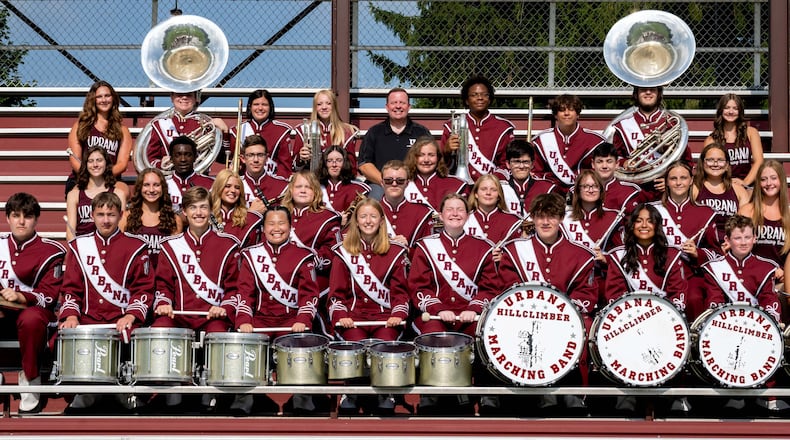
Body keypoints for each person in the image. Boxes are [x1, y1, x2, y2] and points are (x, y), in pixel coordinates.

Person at [499, 193, 598, 413]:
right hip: (525, 317)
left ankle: (573, 391)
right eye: (540, 216)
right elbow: (508, 289)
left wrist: (559, 311)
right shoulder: (515, 251)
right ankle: (538, 390)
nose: (545, 222)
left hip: (565, 318)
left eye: (551, 216)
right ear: (533, 218)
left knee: (585, 325)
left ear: (561, 218)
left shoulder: (581, 254)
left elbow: (587, 294)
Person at [58, 192, 153, 411]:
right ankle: (87, 391)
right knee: (64, 334)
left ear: (121, 215)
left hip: (122, 318)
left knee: (133, 333)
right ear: (92, 215)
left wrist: (130, 314)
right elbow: (71, 289)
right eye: (100, 214)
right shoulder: (79, 246)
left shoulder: (136, 246)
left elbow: (144, 290)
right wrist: (71, 315)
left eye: (111, 214)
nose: (106, 220)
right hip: (88, 318)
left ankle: (123, 390)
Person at [408, 193, 499, 415]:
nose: (455, 214)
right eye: (450, 209)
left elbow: (490, 287)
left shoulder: (483, 247)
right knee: (432, 333)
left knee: (484, 337)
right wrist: (439, 309)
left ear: (468, 215)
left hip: (471, 316)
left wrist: (474, 308)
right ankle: (431, 392)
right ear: (440, 215)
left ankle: (482, 393)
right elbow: (419, 286)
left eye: (460, 210)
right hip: (437, 315)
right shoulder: (426, 247)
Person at [151, 186, 239, 412]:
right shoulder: (171, 246)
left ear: (211, 210)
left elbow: (234, 288)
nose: (198, 213)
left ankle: (212, 391)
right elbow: (164, 285)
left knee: (219, 330)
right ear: (184, 212)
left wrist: (223, 308)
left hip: (213, 316)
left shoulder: (228, 245)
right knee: (161, 327)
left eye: (203, 207)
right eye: (193, 208)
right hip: (179, 316)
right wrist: (164, 303)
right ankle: (172, 388)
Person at [233, 206, 320, 416]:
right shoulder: (251, 256)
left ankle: (302, 398)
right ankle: (245, 398)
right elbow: (244, 293)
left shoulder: (304, 256)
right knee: (245, 343)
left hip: (291, 321)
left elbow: (309, 295)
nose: (276, 228)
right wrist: (244, 320)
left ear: (290, 227)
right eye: (271, 224)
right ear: (263, 228)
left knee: (301, 341)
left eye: (281, 223)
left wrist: (302, 319)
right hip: (259, 321)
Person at [328, 198, 410, 415]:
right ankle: (352, 391)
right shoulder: (342, 251)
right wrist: (342, 315)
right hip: (354, 316)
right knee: (354, 343)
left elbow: (400, 295)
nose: (368, 221)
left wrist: (397, 314)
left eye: (373, 216)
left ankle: (385, 391)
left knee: (384, 342)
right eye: (363, 216)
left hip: (384, 317)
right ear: (355, 221)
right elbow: (336, 294)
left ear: (382, 221)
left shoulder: (395, 252)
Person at [700, 215, 783, 413]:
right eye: (738, 238)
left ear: (755, 239)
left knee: (770, 334)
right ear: (727, 241)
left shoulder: (766, 266)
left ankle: (769, 394)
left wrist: (767, 320)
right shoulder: (714, 268)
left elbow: (769, 299)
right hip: (728, 327)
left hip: (757, 326)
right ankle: (734, 391)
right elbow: (714, 300)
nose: (743, 242)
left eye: (747, 237)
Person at [0, 193, 67, 413]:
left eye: (27, 216)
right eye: (15, 215)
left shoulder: (51, 250)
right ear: (7, 218)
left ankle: (30, 379)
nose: (21, 221)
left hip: (34, 316)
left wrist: (22, 297)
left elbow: (49, 296)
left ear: (36, 219)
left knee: (30, 319)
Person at [653, 161, 719, 321]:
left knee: (694, 298)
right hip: (658, 274)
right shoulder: (652, 210)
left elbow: (718, 254)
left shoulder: (705, 213)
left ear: (691, 181)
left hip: (691, 275)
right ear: (667, 182)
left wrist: (698, 253)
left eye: (683, 178)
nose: (678, 182)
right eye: (673, 178)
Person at [609, 86, 693, 200]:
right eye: (643, 89)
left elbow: (686, 161)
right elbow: (613, 158)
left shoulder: (672, 123)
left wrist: (671, 179)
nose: (648, 92)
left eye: (653, 89)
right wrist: (624, 163)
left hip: (667, 194)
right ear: (636, 93)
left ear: (659, 93)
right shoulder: (623, 126)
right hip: (635, 190)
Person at [358, 88, 431, 199]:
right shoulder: (374, 132)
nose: (398, 106)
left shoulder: (421, 133)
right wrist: (387, 182)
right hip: (380, 185)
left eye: (402, 103)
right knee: (373, 206)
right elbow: (364, 165)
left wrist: (406, 183)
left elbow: (430, 161)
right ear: (387, 107)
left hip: (413, 184)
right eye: (394, 103)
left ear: (409, 107)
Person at [440, 75, 515, 181]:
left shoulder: (503, 127)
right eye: (474, 95)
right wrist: (446, 151)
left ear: (490, 99)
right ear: (466, 100)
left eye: (484, 95)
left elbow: (506, 164)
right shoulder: (453, 126)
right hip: (459, 186)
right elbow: (441, 165)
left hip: (491, 187)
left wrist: (491, 181)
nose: (480, 98)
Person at [281, 171, 342, 298]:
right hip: (279, 278)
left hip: (314, 280)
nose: (303, 190)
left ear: (316, 191)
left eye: (308, 187)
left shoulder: (328, 218)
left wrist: (302, 261)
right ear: (291, 190)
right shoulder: (277, 214)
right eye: (298, 187)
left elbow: (332, 254)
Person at [66, 80, 132, 196]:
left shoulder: (123, 130)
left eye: (107, 96)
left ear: (113, 98)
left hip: (110, 179)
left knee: (124, 191)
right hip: (83, 178)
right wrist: (91, 177)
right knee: (75, 193)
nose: (104, 100)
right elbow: (75, 160)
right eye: (99, 97)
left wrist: (103, 177)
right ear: (93, 100)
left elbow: (122, 163)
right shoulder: (80, 126)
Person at [531, 94, 605, 191]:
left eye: (571, 110)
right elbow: (536, 173)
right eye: (562, 110)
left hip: (585, 193)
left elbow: (601, 172)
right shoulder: (541, 140)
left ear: (578, 114)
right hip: (550, 195)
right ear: (555, 115)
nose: (567, 113)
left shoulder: (595, 141)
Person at [145, 90, 228, 170]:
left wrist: (225, 133)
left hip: (198, 179)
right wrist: (161, 164)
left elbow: (223, 158)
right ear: (172, 96)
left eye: (189, 94)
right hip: (168, 180)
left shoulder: (206, 124)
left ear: (196, 98)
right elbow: (151, 159)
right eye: (179, 94)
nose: (184, 97)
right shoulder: (159, 124)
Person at [692, 142, 750, 247]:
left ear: (727, 165)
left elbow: (744, 226)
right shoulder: (694, 188)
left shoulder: (739, 190)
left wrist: (731, 244)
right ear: (703, 163)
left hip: (731, 246)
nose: (715, 164)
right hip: (702, 246)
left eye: (720, 160)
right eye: (710, 160)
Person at [120, 168, 182, 265]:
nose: (151, 190)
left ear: (163, 188)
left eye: (156, 185)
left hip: (163, 276)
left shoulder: (174, 219)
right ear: (140, 188)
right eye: (146, 185)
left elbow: (175, 257)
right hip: (136, 277)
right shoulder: (126, 217)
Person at [66, 146, 128, 240]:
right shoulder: (74, 195)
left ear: (106, 163)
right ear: (85, 165)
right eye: (90, 161)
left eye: (99, 160)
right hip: (84, 247)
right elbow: (70, 233)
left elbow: (121, 228)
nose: (95, 164)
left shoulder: (119, 194)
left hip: (109, 246)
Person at [229, 89, 295, 178]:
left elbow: (285, 167)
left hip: (271, 182)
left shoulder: (281, 131)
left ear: (270, 107)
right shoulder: (238, 130)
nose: (260, 108)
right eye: (256, 104)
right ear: (250, 107)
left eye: (264, 105)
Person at [739, 160, 790, 269]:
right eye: (763, 179)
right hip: (752, 275)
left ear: (781, 180)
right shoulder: (747, 211)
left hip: (781, 280)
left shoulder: (788, 216)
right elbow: (738, 248)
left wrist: (783, 271)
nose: (768, 183)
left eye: (773, 178)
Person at [705, 93, 764, 186]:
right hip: (722, 185)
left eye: (735, 108)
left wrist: (745, 182)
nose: (731, 111)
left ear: (740, 111)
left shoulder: (751, 133)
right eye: (727, 107)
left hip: (747, 184)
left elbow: (759, 161)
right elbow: (708, 168)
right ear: (721, 110)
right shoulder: (712, 140)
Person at [295, 89, 359, 174]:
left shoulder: (347, 131)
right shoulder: (303, 130)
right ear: (315, 108)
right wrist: (301, 158)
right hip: (312, 181)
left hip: (338, 181)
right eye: (319, 104)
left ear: (334, 106)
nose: (324, 107)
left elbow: (352, 168)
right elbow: (295, 167)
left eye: (328, 103)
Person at [561, 170, 623, 257]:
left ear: (601, 190)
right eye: (586, 186)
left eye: (595, 186)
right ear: (578, 190)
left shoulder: (613, 218)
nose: (591, 190)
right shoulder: (564, 218)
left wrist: (605, 258)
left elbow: (620, 252)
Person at [379, 160, 434, 251]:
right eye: (388, 180)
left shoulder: (422, 213)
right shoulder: (371, 210)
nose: (394, 184)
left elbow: (427, 252)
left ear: (407, 183)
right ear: (382, 183)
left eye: (400, 181)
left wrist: (408, 249)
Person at [403, 136, 467, 212]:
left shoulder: (457, 184)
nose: (426, 160)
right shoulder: (403, 184)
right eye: (421, 155)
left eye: (431, 155)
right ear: (414, 158)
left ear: (438, 158)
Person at [501, 139, 557, 218]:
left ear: (532, 164)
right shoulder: (500, 189)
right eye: (516, 162)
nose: (521, 166)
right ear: (508, 164)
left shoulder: (546, 188)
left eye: (526, 162)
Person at [209, 169, 263, 249]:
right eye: (227, 186)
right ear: (218, 188)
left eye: (237, 188)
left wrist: (252, 215)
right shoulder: (207, 214)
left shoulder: (247, 217)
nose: (233, 190)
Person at [318, 145, 370, 226]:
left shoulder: (359, 189)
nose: (334, 165)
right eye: (330, 160)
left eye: (338, 160)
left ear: (345, 162)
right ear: (325, 163)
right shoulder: (316, 188)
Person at [465, 174, 522, 246]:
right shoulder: (464, 219)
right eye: (483, 189)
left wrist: (503, 256)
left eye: (493, 190)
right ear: (476, 194)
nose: (488, 193)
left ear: (499, 195)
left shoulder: (512, 221)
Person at [163, 136, 215, 213]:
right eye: (178, 155)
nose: (183, 159)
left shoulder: (211, 184)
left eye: (188, 155)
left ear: (195, 157)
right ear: (171, 159)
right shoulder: (163, 185)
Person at [239, 134, 289, 213]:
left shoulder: (283, 186)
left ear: (266, 158)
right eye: (251, 155)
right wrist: (252, 213)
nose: (256, 160)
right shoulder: (235, 186)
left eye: (260, 155)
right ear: (243, 159)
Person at [589, 142, 643, 213]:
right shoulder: (581, 190)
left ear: (617, 164)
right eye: (600, 162)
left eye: (609, 161)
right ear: (593, 164)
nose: (604, 166)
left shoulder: (628, 192)